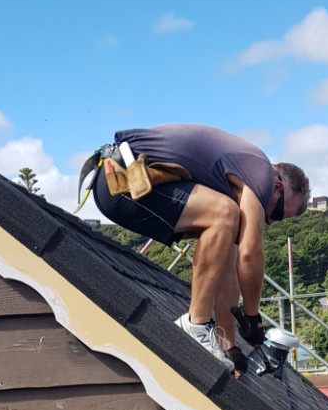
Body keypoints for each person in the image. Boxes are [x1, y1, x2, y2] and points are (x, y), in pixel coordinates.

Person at [86, 124, 310, 376]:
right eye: (277, 214)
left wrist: (230, 346)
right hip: (121, 179)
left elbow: (230, 270)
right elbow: (250, 255)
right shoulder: (261, 173)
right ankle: (196, 323)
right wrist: (253, 317)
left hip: (129, 186)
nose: (268, 222)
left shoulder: (238, 183)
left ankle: (205, 330)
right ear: (277, 187)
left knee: (228, 221)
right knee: (224, 213)